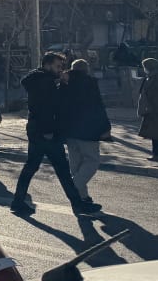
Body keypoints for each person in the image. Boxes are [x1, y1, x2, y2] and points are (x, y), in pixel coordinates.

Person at [10, 53, 101, 216]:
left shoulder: (39, 80)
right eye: (58, 66)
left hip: (38, 130)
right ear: (48, 65)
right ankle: (78, 204)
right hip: (46, 132)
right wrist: (48, 132)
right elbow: (46, 108)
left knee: (35, 168)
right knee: (60, 170)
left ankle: (18, 202)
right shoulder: (45, 83)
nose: (61, 70)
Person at [59, 59, 112, 205]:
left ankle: (82, 197)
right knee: (92, 161)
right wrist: (106, 126)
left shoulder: (64, 82)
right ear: (86, 69)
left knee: (75, 164)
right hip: (87, 128)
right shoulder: (89, 83)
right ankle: (74, 188)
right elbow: (97, 106)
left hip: (69, 129)